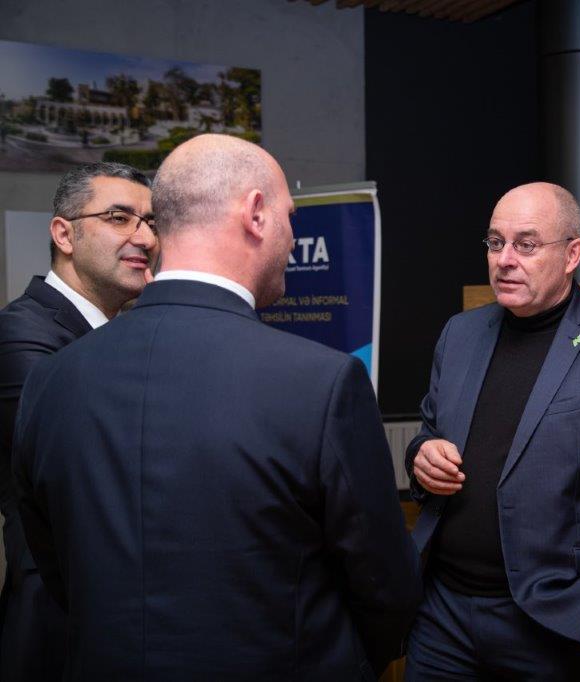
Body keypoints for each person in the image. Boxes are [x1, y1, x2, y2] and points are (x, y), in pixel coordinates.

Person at [12, 134, 421, 680]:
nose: (294, 239)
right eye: (290, 218)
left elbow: (55, 563)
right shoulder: (322, 382)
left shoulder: (53, 379)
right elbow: (386, 589)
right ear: (255, 213)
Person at [404, 182, 580, 680]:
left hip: (553, 627)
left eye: (526, 245)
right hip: (442, 616)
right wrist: (422, 457)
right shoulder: (459, 334)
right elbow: (428, 433)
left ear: (572, 254)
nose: (504, 260)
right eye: (495, 243)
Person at [0, 161, 157, 681]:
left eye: (151, 222)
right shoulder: (20, 336)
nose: (145, 238)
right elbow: (107, 461)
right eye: (119, 218)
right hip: (57, 633)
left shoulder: (120, 333)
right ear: (64, 234)